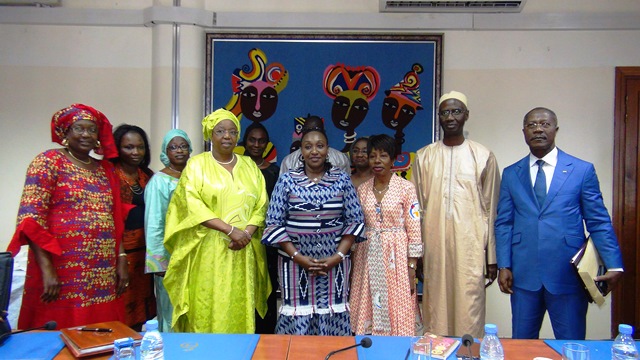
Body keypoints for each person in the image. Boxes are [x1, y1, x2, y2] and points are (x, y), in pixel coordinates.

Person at [495, 107, 624, 340]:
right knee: (522, 346)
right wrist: (504, 264)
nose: (538, 129)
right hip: (523, 276)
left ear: (556, 129)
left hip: (567, 275)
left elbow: (598, 221)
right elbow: (504, 223)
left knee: (571, 345)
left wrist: (615, 265)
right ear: (523, 131)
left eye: (544, 124)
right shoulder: (511, 173)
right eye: (532, 125)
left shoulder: (581, 170)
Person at [7, 104, 128, 329]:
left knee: (100, 331)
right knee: (59, 331)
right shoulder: (48, 162)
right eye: (79, 129)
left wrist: (121, 259)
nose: (86, 135)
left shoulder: (106, 170)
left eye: (92, 130)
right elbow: (31, 219)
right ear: (65, 133)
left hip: (102, 267)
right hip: (60, 265)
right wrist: (47, 269)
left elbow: (115, 218)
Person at [163, 109, 270, 333]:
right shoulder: (196, 165)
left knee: (239, 305)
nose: (227, 136)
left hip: (243, 250)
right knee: (207, 304)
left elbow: (262, 204)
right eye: (220, 131)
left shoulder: (250, 166)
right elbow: (190, 203)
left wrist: (246, 234)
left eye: (232, 131)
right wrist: (231, 230)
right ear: (210, 134)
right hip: (208, 251)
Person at [412, 90, 501, 338]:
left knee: (469, 307)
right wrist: (416, 255)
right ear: (438, 117)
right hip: (434, 246)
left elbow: (491, 210)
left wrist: (491, 256)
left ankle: (468, 353)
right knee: (435, 307)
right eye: (445, 112)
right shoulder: (424, 156)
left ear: (466, 115)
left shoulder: (483, 156)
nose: (450, 117)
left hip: (470, 247)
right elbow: (415, 209)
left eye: (456, 111)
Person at [262, 126, 365, 336]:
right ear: (301, 151)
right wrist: (298, 257)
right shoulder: (287, 180)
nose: (314, 151)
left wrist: (337, 257)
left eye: (320, 146)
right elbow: (274, 223)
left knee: (332, 314)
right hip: (294, 264)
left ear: (328, 149)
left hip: (335, 265)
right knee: (297, 315)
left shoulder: (342, 179)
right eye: (308, 147)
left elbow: (354, 221)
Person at [350, 134, 422, 336]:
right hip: (367, 254)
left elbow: (414, 227)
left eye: (383, 156)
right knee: (367, 299)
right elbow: (357, 226)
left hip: (396, 257)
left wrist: (411, 265)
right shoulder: (362, 190)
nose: (377, 161)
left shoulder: (406, 188)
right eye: (373, 156)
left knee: (396, 300)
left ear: (393, 159)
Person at [143, 129, 192, 333]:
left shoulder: (195, 177)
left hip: (193, 254)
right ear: (165, 152)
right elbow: (154, 223)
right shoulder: (159, 181)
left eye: (183, 146)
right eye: (173, 147)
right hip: (169, 259)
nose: (179, 151)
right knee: (170, 309)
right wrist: (159, 263)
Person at [112, 124, 156, 330]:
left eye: (140, 147)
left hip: (144, 252)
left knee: (142, 307)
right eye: (128, 147)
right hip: (120, 252)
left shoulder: (147, 175)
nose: (135, 152)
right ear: (117, 148)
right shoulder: (110, 175)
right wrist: (119, 255)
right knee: (120, 303)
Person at [242, 122, 280, 334]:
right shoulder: (236, 168)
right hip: (241, 237)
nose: (256, 144)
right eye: (252, 140)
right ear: (245, 141)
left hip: (268, 239)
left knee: (267, 286)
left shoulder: (274, 171)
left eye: (261, 141)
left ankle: (266, 334)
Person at [279, 115, 351, 175]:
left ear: (324, 132)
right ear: (302, 132)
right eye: (308, 130)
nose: (314, 152)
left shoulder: (341, 159)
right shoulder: (288, 161)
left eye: (317, 130)